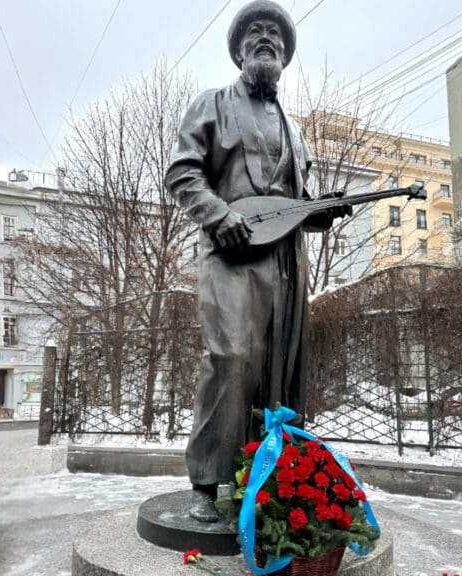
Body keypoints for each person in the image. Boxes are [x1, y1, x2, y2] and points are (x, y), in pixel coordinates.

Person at [165, 0, 350, 522]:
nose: (266, 37)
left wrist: (321, 211)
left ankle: (269, 481)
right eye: (255, 31)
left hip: (286, 263)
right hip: (230, 255)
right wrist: (217, 214)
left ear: (285, 55)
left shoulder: (296, 130)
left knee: (281, 370)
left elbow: (294, 207)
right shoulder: (212, 104)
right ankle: (207, 481)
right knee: (232, 357)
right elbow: (182, 174)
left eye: (275, 33)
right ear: (239, 49)